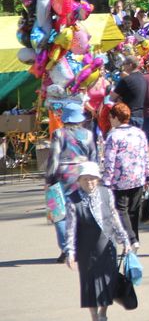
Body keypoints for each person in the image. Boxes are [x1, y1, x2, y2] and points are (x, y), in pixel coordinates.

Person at [64, 161, 131, 321]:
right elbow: (70, 229)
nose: (90, 182)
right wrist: (70, 252)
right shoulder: (72, 199)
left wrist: (125, 239)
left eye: (93, 179)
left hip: (107, 246)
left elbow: (115, 217)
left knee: (108, 284)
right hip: (87, 249)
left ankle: (103, 314)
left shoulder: (106, 193)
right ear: (79, 180)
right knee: (90, 286)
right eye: (86, 179)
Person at [45, 102, 98, 263]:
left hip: (63, 174)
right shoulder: (88, 134)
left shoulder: (59, 134)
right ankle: (85, 245)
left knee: (60, 212)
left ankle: (66, 249)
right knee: (84, 209)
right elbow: (94, 156)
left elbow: (54, 157)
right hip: (83, 174)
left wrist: (49, 179)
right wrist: (95, 175)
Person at [101, 103, 149, 249]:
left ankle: (131, 239)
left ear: (115, 117)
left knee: (121, 210)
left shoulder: (113, 135)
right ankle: (134, 238)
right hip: (138, 177)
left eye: (111, 117)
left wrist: (106, 181)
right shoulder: (139, 133)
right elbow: (145, 155)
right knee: (133, 210)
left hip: (120, 179)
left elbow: (109, 160)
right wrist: (148, 176)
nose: (110, 120)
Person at [110, 56, 146, 129]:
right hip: (141, 116)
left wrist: (119, 98)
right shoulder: (144, 78)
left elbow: (112, 98)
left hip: (128, 116)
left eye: (124, 64)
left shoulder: (126, 80)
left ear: (130, 65)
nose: (123, 66)